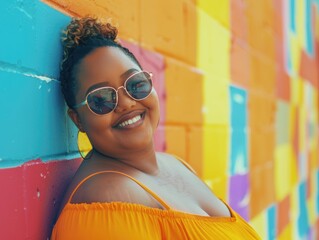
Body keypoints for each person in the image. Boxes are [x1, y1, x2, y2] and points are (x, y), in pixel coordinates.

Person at [51, 16, 261, 240]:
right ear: (78, 120)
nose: (127, 103)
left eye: (135, 84)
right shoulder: (104, 200)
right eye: (101, 99)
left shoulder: (177, 165)